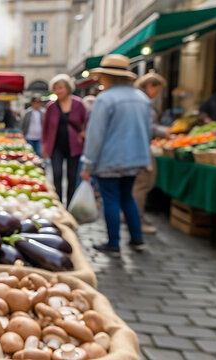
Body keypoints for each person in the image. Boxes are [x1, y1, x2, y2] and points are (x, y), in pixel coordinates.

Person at [80, 54, 152, 255]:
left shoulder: (105, 99)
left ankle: (114, 242)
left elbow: (95, 136)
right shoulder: (142, 98)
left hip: (110, 160)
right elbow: (148, 131)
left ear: (107, 77)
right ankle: (137, 238)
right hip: (135, 159)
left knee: (110, 199)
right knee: (127, 197)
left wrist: (88, 165)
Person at [42, 74, 87, 207]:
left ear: (67, 88)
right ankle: (59, 203)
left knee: (72, 176)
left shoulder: (78, 103)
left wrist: (84, 133)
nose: (58, 91)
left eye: (60, 87)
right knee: (57, 174)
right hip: (56, 145)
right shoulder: (51, 106)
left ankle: (70, 203)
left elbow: (86, 122)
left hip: (74, 145)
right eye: (55, 88)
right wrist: (44, 146)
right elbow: (45, 127)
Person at [133, 70, 168, 235]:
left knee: (140, 185)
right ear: (149, 86)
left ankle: (134, 216)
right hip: (140, 149)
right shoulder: (142, 101)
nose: (157, 94)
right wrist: (165, 132)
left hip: (137, 148)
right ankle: (137, 219)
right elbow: (147, 127)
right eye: (157, 89)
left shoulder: (138, 99)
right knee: (141, 185)